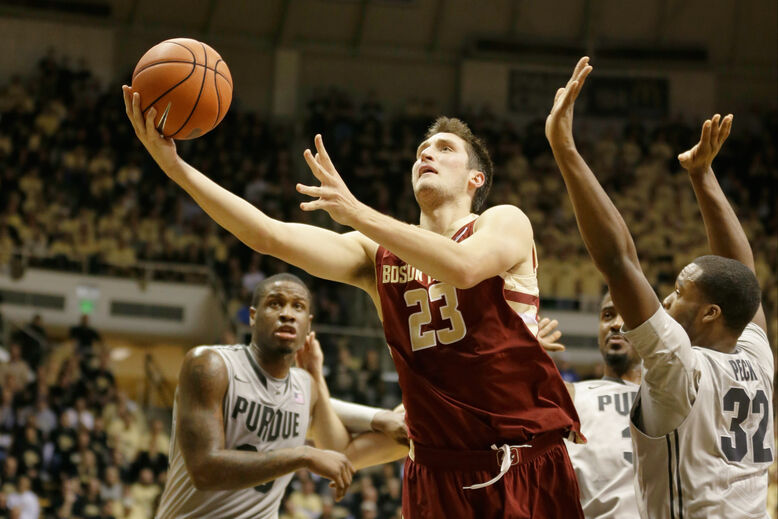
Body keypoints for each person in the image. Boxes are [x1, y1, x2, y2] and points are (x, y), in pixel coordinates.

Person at [123, 86, 583, 519]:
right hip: (436, 470)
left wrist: (356, 212)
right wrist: (174, 168)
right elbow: (267, 234)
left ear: (474, 179)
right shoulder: (374, 256)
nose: (427, 153)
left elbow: (462, 268)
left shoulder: (503, 221)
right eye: (423, 150)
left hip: (522, 461)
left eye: (445, 149)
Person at [546, 57, 774, 518]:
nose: (667, 299)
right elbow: (740, 278)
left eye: (680, 291)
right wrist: (702, 176)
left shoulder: (677, 367)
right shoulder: (757, 359)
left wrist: (565, 150)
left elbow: (618, 260)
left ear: (711, 313)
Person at [156, 274, 406, 519]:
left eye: (297, 306)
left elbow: (331, 422)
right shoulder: (212, 364)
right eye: (275, 303)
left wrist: (379, 416)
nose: (287, 313)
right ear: (253, 316)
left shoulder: (304, 387)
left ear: (308, 324)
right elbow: (204, 470)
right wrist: (303, 455)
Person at [545, 293, 642, 518]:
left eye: (628, 315)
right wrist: (522, 353)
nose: (616, 324)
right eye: (607, 315)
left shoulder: (672, 396)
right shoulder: (569, 394)